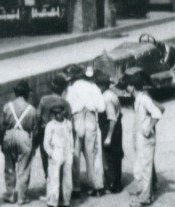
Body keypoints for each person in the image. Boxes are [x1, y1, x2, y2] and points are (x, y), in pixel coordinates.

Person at [64, 65, 106, 198]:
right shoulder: (93, 88)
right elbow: (102, 108)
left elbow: (66, 106)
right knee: (92, 155)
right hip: (90, 119)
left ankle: (75, 187)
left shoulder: (71, 89)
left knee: (75, 155)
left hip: (76, 121)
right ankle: (96, 186)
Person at [126, 70, 164, 206]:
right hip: (140, 139)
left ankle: (145, 198)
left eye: (128, 85)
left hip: (146, 139)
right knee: (139, 168)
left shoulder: (144, 99)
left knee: (145, 169)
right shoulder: (138, 100)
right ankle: (145, 193)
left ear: (132, 86)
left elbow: (158, 112)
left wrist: (148, 128)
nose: (126, 88)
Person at [1, 80, 38, 204]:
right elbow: (35, 129)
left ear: (16, 93)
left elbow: (3, 125)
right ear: (27, 94)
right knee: (24, 167)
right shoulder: (32, 109)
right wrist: (34, 146)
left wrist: (2, 142)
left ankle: (10, 194)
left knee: (9, 166)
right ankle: (22, 196)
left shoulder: (7, 106)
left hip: (9, 134)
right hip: (24, 137)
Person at [36, 74, 72, 177]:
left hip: (45, 133)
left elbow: (38, 117)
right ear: (63, 88)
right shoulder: (66, 103)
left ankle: (49, 180)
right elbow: (69, 122)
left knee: (46, 158)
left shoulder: (43, 100)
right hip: (60, 133)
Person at [43, 103, 74, 207]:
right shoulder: (50, 126)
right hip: (56, 152)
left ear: (63, 112)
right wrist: (51, 154)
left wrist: (71, 151)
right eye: (55, 113)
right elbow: (46, 143)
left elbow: (71, 138)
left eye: (60, 113)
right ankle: (52, 205)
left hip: (67, 152)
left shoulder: (68, 124)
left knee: (67, 180)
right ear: (53, 114)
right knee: (54, 179)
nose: (58, 115)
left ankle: (66, 203)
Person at [97, 73, 124, 194]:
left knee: (109, 157)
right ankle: (117, 183)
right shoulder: (112, 94)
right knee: (116, 155)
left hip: (110, 128)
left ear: (102, 86)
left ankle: (112, 184)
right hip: (117, 128)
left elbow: (112, 118)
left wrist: (108, 137)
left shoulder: (106, 99)